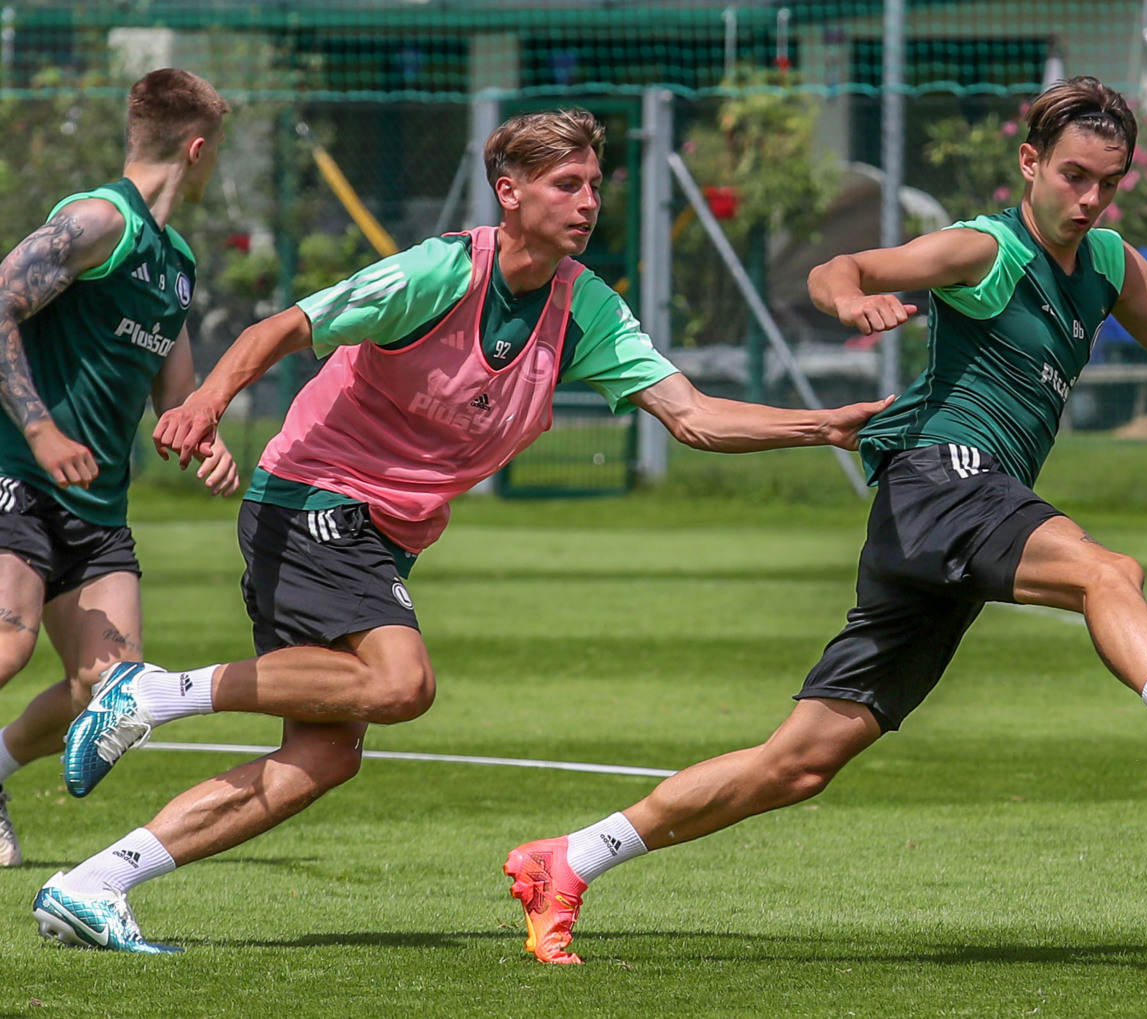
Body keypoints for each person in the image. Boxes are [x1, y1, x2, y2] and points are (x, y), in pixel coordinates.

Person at [501, 76, 1147, 965]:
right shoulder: (986, 248)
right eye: (1075, 176)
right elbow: (839, 268)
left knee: (799, 762)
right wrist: (850, 300)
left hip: (947, 518)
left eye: (1108, 183)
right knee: (1106, 569)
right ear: (1031, 163)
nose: (1089, 199)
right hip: (941, 479)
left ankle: (568, 858)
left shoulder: (1112, 266)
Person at [33, 108, 888, 953]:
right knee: (401, 683)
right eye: (567, 184)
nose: (589, 200)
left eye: (596, 184)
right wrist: (206, 403)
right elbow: (283, 327)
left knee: (323, 757)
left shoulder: (582, 306)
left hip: (381, 530)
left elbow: (693, 414)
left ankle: (95, 882)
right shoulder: (440, 273)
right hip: (313, 496)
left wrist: (824, 425)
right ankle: (149, 693)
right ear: (509, 193)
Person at [0, 68, 238, 869]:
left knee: (112, 692)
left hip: (95, 506)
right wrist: (36, 431)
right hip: (17, 475)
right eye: (217, 156)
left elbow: (177, 394)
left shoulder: (174, 262)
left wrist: (204, 436)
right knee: (6, 647)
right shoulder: (101, 220)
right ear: (197, 150)